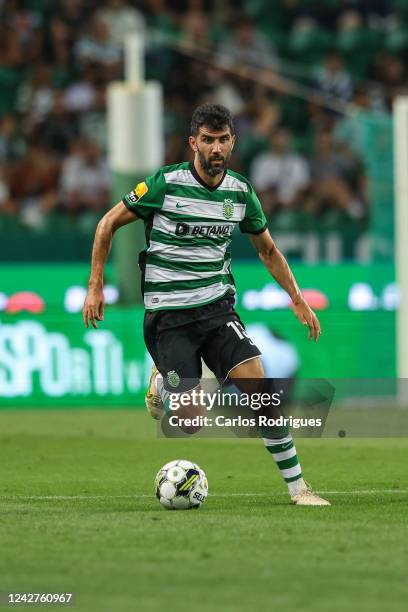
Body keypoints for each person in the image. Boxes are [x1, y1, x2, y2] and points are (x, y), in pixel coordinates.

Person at [82, 103, 330, 506]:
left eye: (223, 140)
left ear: (233, 142)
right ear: (193, 142)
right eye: (208, 140)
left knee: (261, 389)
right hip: (169, 317)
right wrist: (95, 285)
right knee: (190, 421)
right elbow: (106, 224)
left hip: (217, 310)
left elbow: (267, 250)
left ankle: (299, 489)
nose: (216, 148)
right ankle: (162, 382)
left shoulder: (240, 192)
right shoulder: (164, 184)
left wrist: (297, 300)